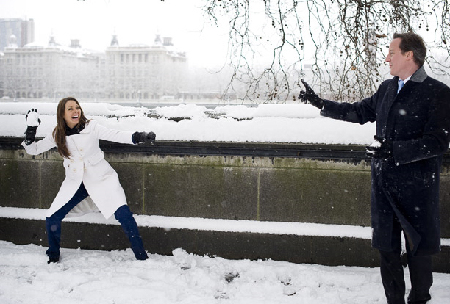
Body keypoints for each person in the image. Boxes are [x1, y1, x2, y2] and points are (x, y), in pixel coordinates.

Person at [299, 32, 450, 304]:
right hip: (383, 187)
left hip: (416, 190)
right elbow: (358, 112)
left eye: (392, 52)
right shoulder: (387, 89)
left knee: (418, 252)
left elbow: (438, 142)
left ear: (409, 55)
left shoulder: (438, 93)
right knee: (387, 250)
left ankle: (419, 299)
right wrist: (321, 104)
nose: (387, 58)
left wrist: (395, 150)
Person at [22, 97, 156, 263]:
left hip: (102, 178)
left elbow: (114, 134)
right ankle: (53, 257)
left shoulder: (91, 126)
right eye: (70, 108)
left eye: (77, 107)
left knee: (124, 215)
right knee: (52, 218)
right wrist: (30, 130)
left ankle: (142, 257)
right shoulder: (57, 134)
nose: (75, 111)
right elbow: (33, 150)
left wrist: (138, 136)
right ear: (62, 114)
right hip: (76, 184)